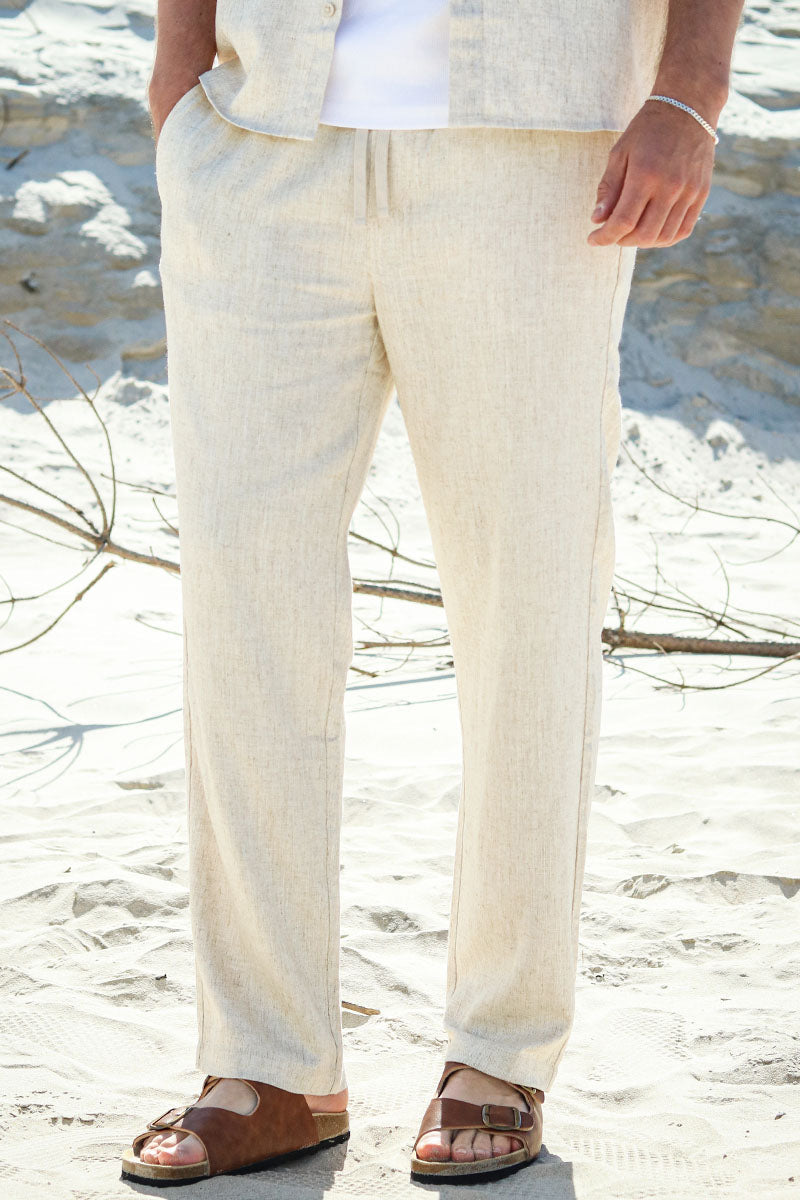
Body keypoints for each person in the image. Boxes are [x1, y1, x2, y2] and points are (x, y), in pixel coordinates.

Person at [121, 0, 745, 1187]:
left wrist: (687, 93)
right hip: (263, 134)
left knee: (525, 606)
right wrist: (180, 69)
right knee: (244, 608)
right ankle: (268, 1067)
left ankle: (498, 1054)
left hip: (532, 151)